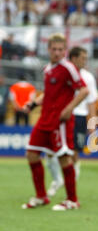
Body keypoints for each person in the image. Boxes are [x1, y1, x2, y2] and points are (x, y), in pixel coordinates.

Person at [22, 33, 89, 211]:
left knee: (64, 158)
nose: (57, 52)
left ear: (65, 51)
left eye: (61, 49)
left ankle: (72, 200)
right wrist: (34, 103)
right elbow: (49, 94)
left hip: (60, 122)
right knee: (32, 154)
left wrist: (68, 109)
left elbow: (84, 91)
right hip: (45, 119)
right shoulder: (47, 69)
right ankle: (41, 196)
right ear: (48, 49)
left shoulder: (68, 68)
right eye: (54, 49)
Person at [47, 46, 98, 196]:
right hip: (60, 116)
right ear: (74, 58)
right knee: (51, 151)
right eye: (83, 58)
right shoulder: (61, 72)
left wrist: (92, 123)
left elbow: (91, 101)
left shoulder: (88, 77)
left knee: (75, 152)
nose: (85, 61)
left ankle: (71, 187)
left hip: (79, 117)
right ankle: (57, 180)